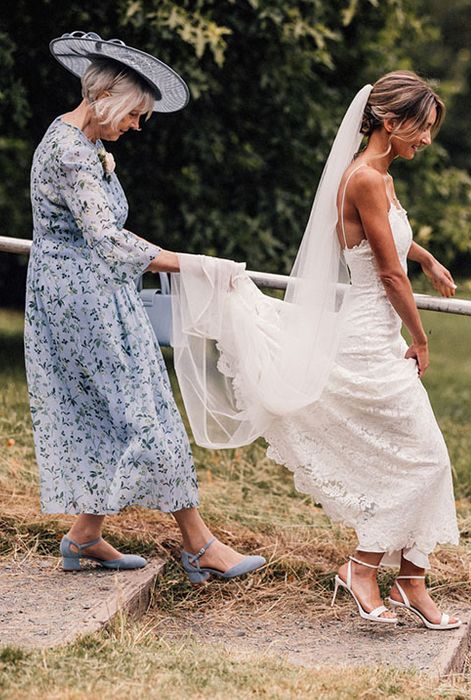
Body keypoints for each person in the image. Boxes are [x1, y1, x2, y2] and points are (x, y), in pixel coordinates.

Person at [171, 72, 461, 627]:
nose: (427, 140)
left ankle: (411, 581)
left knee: (420, 458)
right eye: (422, 129)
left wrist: (425, 257)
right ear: (391, 122)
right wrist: (421, 338)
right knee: (425, 458)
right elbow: (387, 274)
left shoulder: (378, 174)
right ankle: (362, 567)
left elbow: (392, 241)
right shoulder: (366, 179)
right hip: (371, 341)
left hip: (379, 334)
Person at [24, 31, 265, 584]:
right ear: (107, 97)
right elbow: (107, 240)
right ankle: (200, 543)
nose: (136, 126)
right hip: (81, 299)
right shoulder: (70, 152)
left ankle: (84, 537)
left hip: (97, 293)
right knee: (142, 412)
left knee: (120, 410)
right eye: (136, 115)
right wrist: (196, 264)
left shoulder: (83, 145)